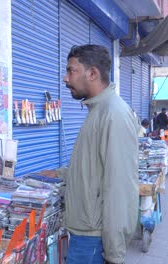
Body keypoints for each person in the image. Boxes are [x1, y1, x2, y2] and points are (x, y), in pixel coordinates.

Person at [51, 45, 139, 264]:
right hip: (85, 235)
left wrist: (114, 254)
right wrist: (56, 174)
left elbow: (120, 187)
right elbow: (92, 169)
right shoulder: (98, 111)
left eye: (71, 71)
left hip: (93, 240)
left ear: (92, 74)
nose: (65, 78)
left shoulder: (113, 114)